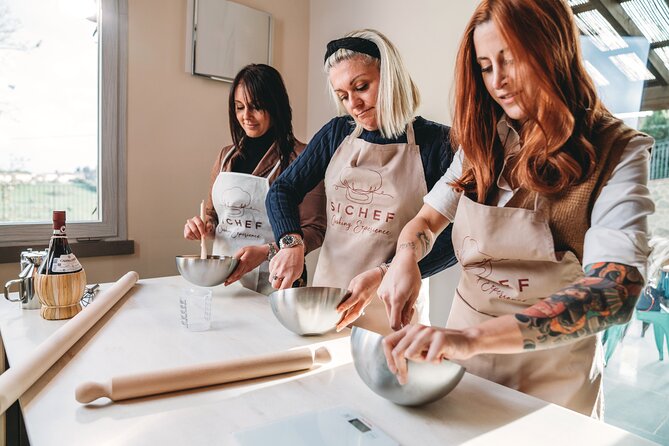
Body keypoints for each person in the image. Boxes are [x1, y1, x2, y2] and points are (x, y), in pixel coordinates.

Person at [378, 0, 654, 418]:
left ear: (553, 50)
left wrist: (473, 338)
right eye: (486, 66)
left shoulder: (618, 151)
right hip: (458, 363)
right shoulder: (483, 142)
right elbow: (427, 220)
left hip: (552, 378)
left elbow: (614, 291)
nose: (498, 82)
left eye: (511, 61)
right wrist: (405, 258)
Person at [266, 29, 457, 334]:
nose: (353, 103)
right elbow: (282, 190)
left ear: (390, 76)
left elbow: (456, 239)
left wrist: (388, 272)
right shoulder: (336, 134)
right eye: (343, 96)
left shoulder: (438, 144)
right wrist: (291, 243)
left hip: (393, 308)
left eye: (362, 87)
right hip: (326, 306)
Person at [184, 64, 326, 295]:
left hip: (277, 278)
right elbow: (213, 217)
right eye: (239, 107)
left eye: (256, 107)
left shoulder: (303, 157)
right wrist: (203, 227)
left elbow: (315, 228)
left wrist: (268, 251)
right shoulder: (225, 156)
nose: (245, 116)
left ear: (276, 106)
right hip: (226, 276)